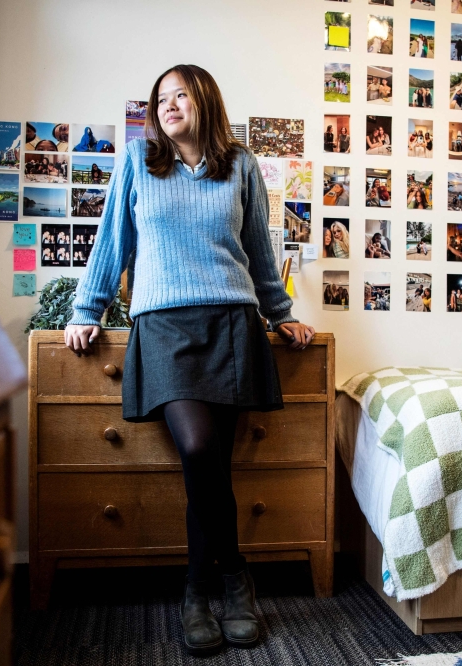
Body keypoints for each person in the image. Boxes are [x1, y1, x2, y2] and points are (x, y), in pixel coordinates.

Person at [63, 64, 315, 655]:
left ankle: (201, 593)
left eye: (181, 95)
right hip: (165, 324)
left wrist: (280, 314)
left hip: (231, 323)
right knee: (199, 450)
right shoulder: (135, 162)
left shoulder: (242, 166)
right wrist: (87, 309)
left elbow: (258, 247)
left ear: (205, 100)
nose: (169, 104)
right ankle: (230, 577)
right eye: (161, 98)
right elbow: (113, 241)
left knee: (213, 466)